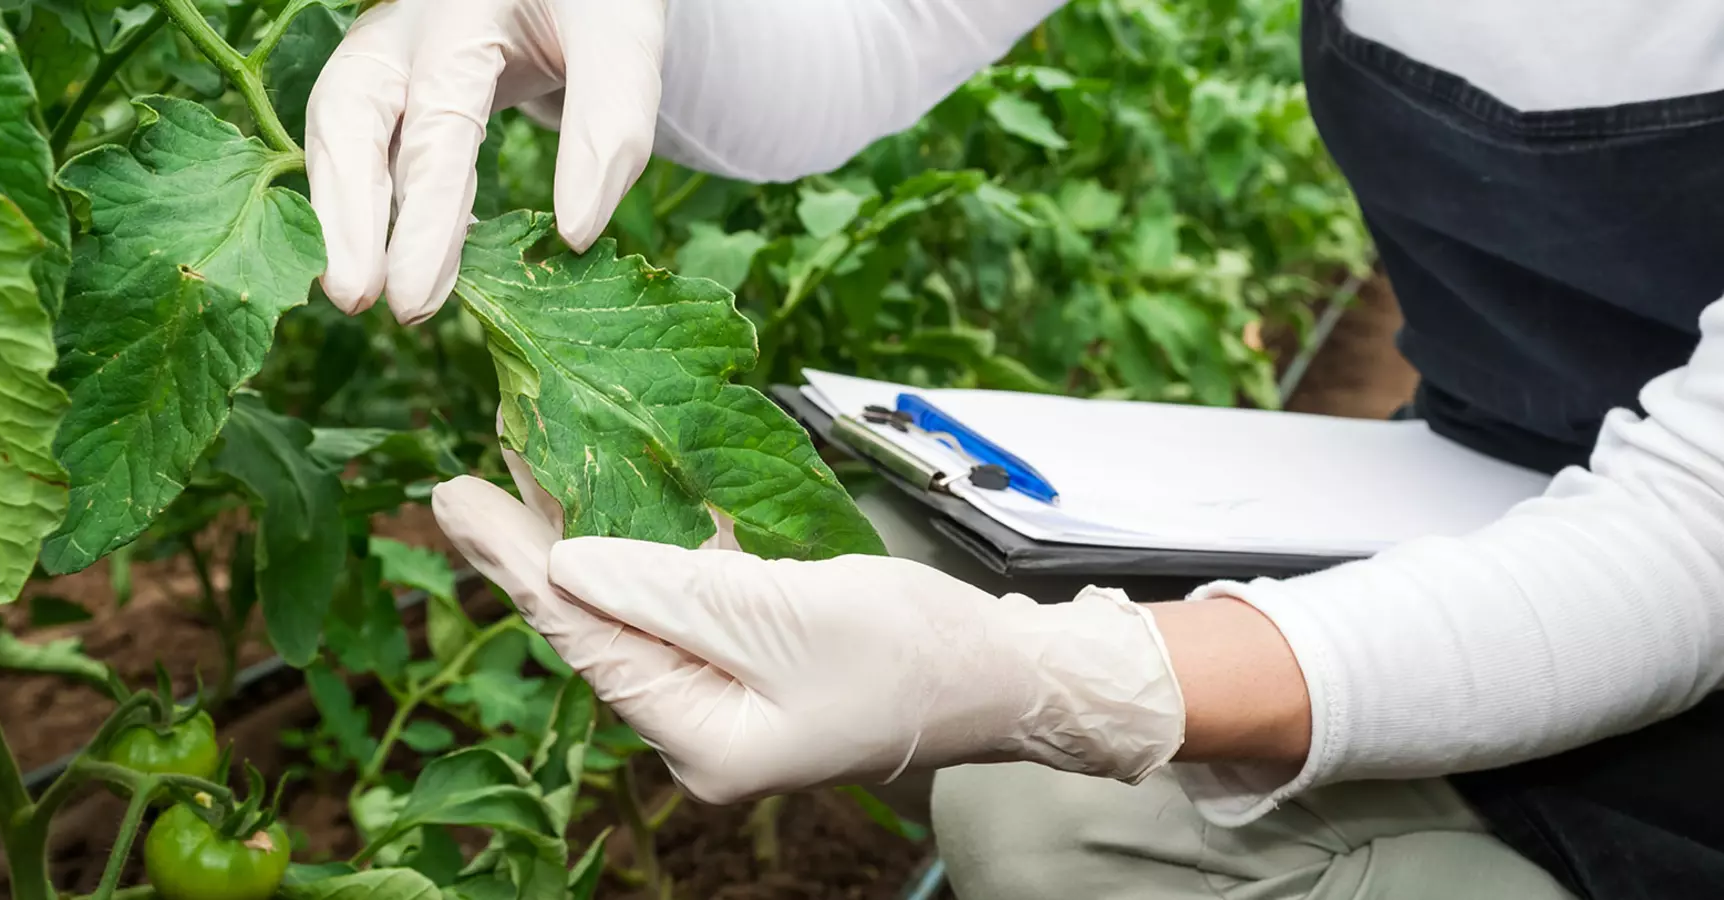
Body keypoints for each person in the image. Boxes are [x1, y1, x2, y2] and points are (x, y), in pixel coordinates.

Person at [303, 1, 1724, 897]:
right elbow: (882, 26)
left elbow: (1692, 535)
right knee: (981, 700)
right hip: (1488, 482)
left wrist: (1085, 679)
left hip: (1676, 578)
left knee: (1046, 773)